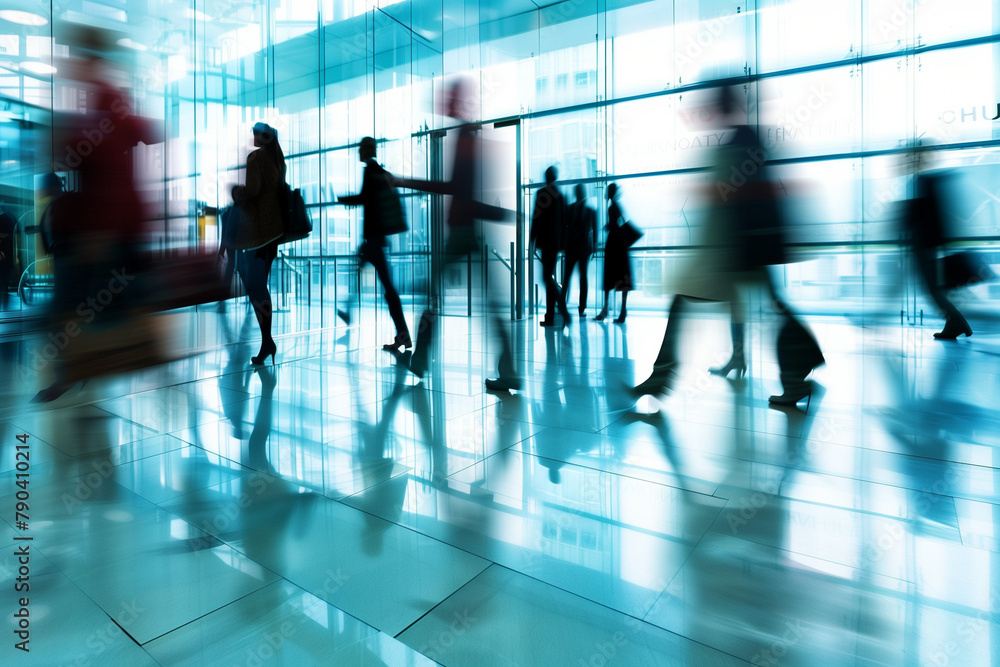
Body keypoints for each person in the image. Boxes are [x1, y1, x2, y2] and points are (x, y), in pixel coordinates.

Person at [394, 78, 519, 391]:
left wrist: (402, 181)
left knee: (435, 296)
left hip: (461, 233)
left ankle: (421, 360)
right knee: (486, 304)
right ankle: (508, 370)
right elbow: (463, 190)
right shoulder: (470, 135)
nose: (443, 103)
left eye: (448, 99)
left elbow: (454, 189)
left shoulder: (465, 135)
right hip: (468, 232)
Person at [337, 136, 412, 351]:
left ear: (365, 150)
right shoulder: (378, 169)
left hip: (374, 240)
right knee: (384, 286)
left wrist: (343, 200)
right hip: (376, 239)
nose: (358, 152)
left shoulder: (370, 170)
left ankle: (401, 334)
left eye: (360, 148)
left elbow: (364, 199)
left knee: (387, 288)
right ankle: (401, 334)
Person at [902, 147, 973, 340]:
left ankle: (956, 322)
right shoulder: (925, 180)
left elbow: (921, 216)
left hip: (924, 246)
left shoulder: (921, 181)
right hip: (928, 245)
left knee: (932, 289)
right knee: (933, 289)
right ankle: (955, 322)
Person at [232, 121, 286, 366]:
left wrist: (236, 191)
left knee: (255, 286)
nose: (253, 136)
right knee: (257, 285)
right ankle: (267, 342)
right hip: (273, 232)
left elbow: (252, 191)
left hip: (258, 233)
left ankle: (267, 341)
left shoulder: (256, 158)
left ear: (263, 137)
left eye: (256, 133)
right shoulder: (278, 159)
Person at [529, 166, 569, 327]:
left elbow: (536, 219)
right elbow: (566, 222)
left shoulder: (541, 194)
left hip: (546, 243)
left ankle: (560, 306)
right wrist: (563, 243)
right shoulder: (561, 196)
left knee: (547, 278)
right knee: (549, 277)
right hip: (556, 244)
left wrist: (531, 241)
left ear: (546, 177)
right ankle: (550, 316)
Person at [594, 182, 631, 323]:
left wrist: (607, 227)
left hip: (614, 245)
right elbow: (621, 221)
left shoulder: (612, 207)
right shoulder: (616, 206)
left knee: (610, 277)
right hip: (619, 245)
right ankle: (622, 310)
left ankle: (606, 310)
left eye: (607, 191)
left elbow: (615, 224)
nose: (605, 193)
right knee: (621, 277)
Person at [562, 183, 597, 317]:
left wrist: (593, 246)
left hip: (583, 249)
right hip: (572, 248)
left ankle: (581, 307)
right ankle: (563, 304)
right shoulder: (571, 209)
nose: (579, 193)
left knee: (581, 278)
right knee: (568, 278)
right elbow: (565, 228)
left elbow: (594, 229)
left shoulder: (590, 211)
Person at [0, 204, 14, 310]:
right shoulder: (9, 218)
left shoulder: (4, 219)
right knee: (5, 279)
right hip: (7, 257)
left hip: (4, 257)